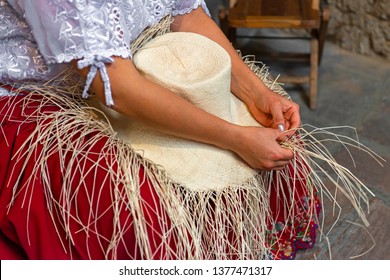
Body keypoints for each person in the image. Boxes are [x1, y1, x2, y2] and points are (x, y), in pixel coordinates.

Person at [0, 0, 320, 260]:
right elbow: (119, 89)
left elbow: (186, 13)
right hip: (48, 93)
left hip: (139, 60)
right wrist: (235, 137)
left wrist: (256, 93)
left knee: (272, 140)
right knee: (137, 201)